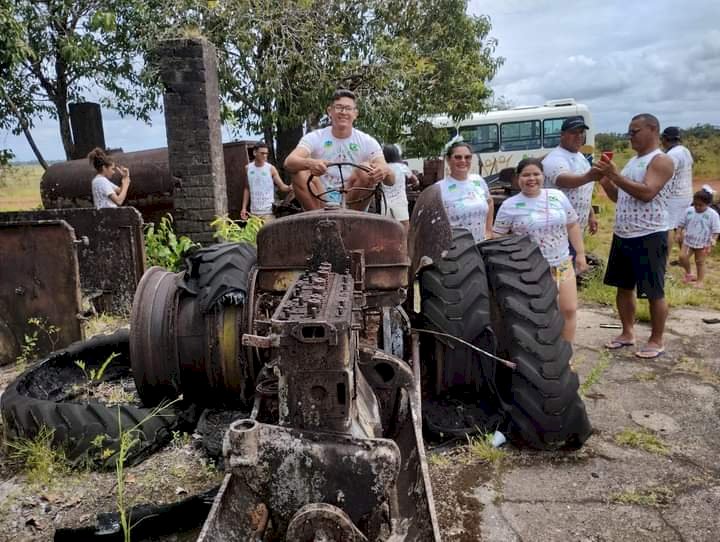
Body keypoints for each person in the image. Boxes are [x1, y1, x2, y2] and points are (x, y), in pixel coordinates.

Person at [594, 113, 674, 359]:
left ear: (652, 129)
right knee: (623, 287)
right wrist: (606, 182)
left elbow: (648, 192)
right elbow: (621, 197)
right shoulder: (633, 162)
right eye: (629, 132)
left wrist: (616, 176)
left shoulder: (661, 161)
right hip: (624, 234)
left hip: (649, 234)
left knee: (653, 291)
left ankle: (656, 339)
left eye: (634, 131)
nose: (630, 136)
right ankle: (627, 333)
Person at [493, 157, 587, 343]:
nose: (531, 179)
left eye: (536, 174)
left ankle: (565, 357)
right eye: (526, 175)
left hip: (561, 263)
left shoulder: (557, 196)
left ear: (543, 176)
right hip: (529, 269)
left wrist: (581, 254)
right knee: (537, 315)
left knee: (568, 309)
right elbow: (497, 237)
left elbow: (572, 224)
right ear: (518, 178)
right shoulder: (509, 206)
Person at [284, 89, 393, 211]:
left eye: (348, 108)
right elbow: (289, 162)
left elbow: (390, 180)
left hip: (352, 200)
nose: (343, 112)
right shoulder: (315, 137)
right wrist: (311, 163)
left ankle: (352, 218)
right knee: (299, 170)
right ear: (330, 111)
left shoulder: (367, 141)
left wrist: (384, 170)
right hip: (319, 197)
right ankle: (317, 218)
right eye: (339, 107)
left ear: (355, 113)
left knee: (366, 169)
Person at [542, 116, 599, 247]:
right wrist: (590, 176)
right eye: (573, 132)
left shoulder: (580, 157)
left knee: (574, 264)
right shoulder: (555, 157)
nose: (579, 136)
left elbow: (582, 190)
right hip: (558, 230)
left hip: (576, 229)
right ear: (562, 135)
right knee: (562, 266)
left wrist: (591, 215)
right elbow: (563, 180)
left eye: (581, 132)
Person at [437, 141, 494, 243]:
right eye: (458, 157)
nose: (463, 161)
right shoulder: (439, 188)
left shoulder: (478, 180)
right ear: (448, 159)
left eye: (467, 157)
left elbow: (489, 202)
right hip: (456, 249)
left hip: (482, 245)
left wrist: (488, 230)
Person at [661, 126, 694, 256]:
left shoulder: (672, 155)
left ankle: (664, 260)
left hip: (674, 196)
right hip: (687, 194)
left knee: (669, 227)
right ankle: (683, 257)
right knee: (681, 227)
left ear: (665, 139)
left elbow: (667, 175)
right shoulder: (685, 151)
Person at [677, 189, 720, 288]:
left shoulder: (713, 215)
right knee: (682, 257)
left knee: (699, 262)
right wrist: (678, 233)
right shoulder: (689, 211)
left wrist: (713, 240)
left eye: (700, 205)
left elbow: (716, 230)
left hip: (703, 243)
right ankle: (689, 274)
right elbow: (681, 223)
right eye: (695, 204)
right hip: (688, 240)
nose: (697, 207)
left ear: (708, 204)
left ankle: (700, 281)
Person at [240, 142, 291, 221]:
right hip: (253, 212)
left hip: (268, 212)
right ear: (255, 153)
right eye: (262, 153)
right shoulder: (248, 168)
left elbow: (282, 187)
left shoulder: (270, 168)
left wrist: (291, 187)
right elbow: (247, 188)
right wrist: (243, 208)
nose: (265, 156)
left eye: (266, 153)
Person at [380, 144, 418, 231]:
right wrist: (415, 183)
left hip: (385, 205)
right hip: (400, 204)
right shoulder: (402, 167)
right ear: (397, 154)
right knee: (404, 233)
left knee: (386, 234)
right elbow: (415, 180)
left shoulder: (383, 168)